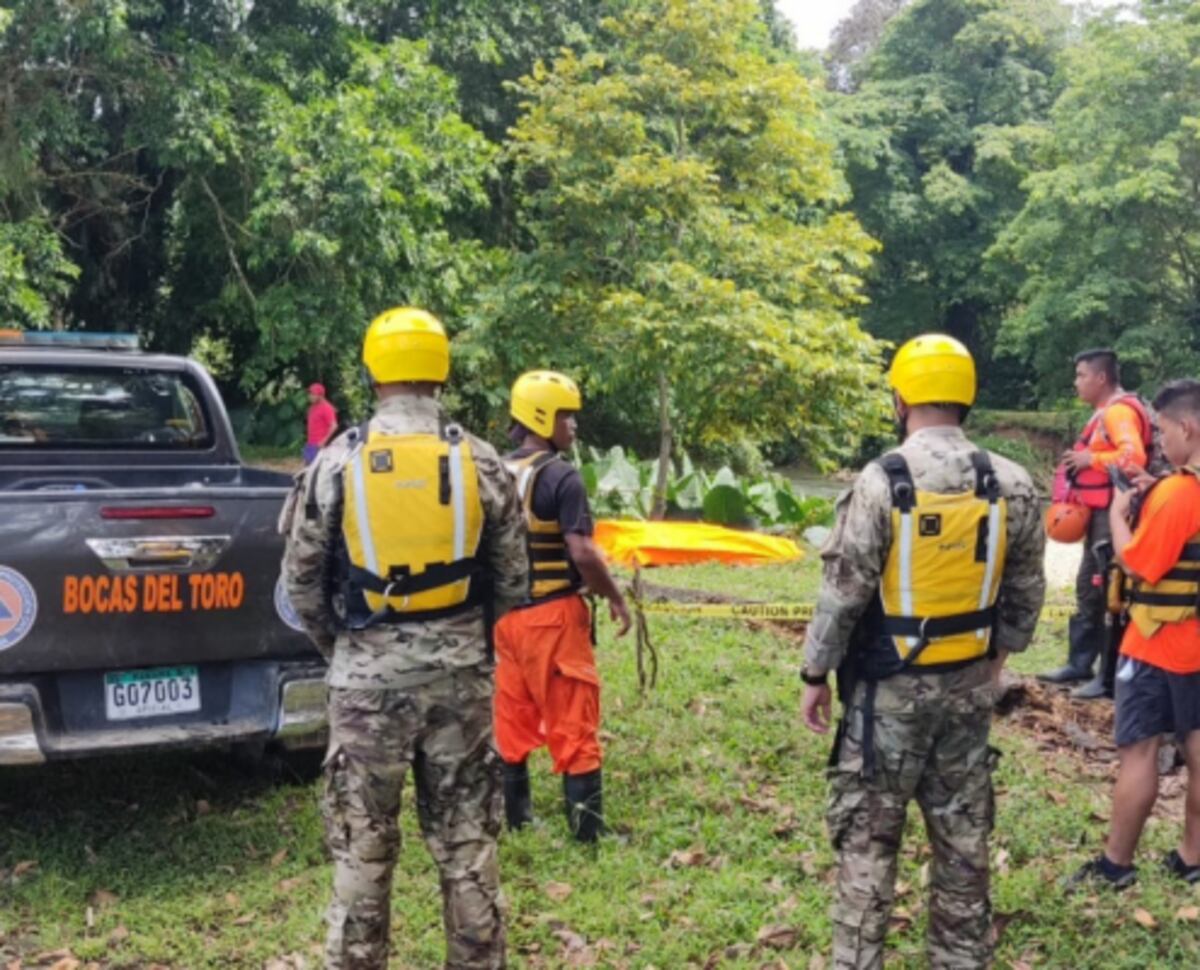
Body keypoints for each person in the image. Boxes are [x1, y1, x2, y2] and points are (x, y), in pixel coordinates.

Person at [281, 306, 527, 970]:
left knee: (362, 852)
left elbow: (301, 584)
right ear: (440, 368)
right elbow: (513, 582)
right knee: (467, 847)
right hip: (461, 684)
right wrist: (467, 643)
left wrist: (345, 651)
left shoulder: (337, 462)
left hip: (365, 684)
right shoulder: (481, 460)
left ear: (375, 369)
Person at [800, 334, 1045, 970]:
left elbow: (843, 591)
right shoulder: (1012, 483)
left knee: (868, 847)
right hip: (968, 692)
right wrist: (1000, 657)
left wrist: (815, 672)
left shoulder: (881, 480)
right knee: (964, 844)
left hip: (886, 701)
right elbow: (1025, 592)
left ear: (901, 395)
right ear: (967, 396)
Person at [1068, 379, 1200, 891]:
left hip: (1156, 643)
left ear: (1186, 427)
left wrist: (1122, 517)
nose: (1160, 444)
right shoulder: (1176, 489)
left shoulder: (1178, 492)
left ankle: (1115, 865)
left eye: (1163, 431)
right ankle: (1192, 858)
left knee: (1139, 751)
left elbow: (1137, 562)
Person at [492, 370, 632, 842]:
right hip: (552, 617)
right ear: (541, 417)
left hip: (503, 621)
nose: (572, 425)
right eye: (565, 415)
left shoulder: (493, 471)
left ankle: (517, 821)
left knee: (510, 718)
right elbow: (584, 553)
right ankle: (588, 833)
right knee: (574, 719)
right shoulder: (561, 477)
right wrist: (614, 596)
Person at [1038, 349, 1151, 697]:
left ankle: (1107, 676)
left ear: (1101, 378)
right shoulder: (1103, 414)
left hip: (1113, 514)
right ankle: (1080, 662)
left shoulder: (1117, 412)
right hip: (1098, 515)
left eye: (1081, 375)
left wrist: (1091, 458)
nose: (1076, 382)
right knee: (1088, 587)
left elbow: (1133, 457)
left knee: (1108, 592)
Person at [304, 382, 338, 465]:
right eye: (310, 393)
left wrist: (323, 441)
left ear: (320, 395)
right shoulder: (312, 408)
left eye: (313, 394)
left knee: (317, 472)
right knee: (307, 470)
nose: (310, 396)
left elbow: (334, 426)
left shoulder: (326, 408)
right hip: (310, 445)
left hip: (319, 446)